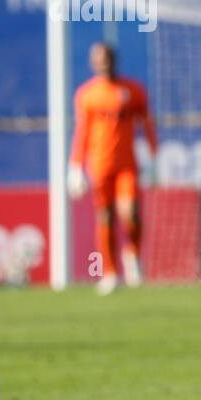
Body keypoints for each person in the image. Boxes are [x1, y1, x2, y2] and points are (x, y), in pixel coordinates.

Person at [67, 42, 157, 295]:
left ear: (114, 60)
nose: (102, 63)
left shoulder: (132, 90)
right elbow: (82, 133)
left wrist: (153, 156)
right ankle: (109, 272)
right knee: (105, 216)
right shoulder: (87, 95)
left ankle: (133, 256)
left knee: (130, 212)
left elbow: (147, 124)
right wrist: (74, 167)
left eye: (106, 58)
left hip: (127, 165)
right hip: (99, 166)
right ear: (92, 63)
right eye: (98, 59)